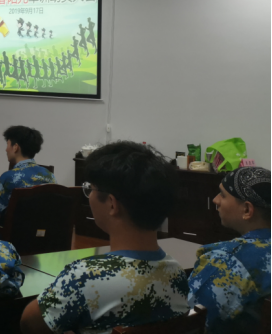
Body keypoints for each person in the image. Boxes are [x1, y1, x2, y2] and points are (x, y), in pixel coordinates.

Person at [21, 142, 190, 334]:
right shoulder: (177, 274)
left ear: (111, 204)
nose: (89, 196)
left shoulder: (86, 278)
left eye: (91, 189)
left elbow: (29, 324)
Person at [188, 167, 271, 334]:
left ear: (247, 210)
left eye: (223, 194)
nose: (215, 200)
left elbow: (190, 319)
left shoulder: (228, 262)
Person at [0, 126, 57, 224]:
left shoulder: (8, 177)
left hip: (10, 232)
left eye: (8, 144)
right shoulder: (50, 177)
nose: (6, 149)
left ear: (15, 147)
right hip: (42, 232)